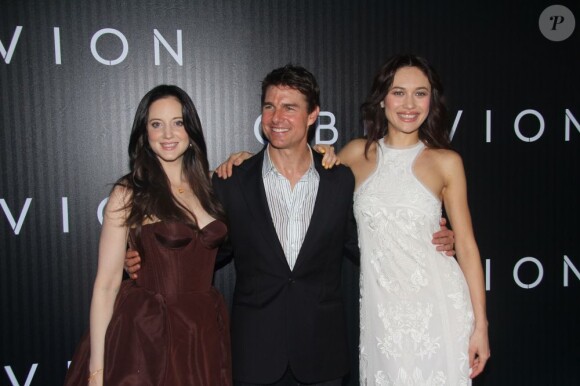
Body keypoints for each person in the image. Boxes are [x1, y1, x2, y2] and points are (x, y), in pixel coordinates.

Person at [127, 65, 455, 385]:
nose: (276, 118)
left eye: (289, 107)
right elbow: (210, 248)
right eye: (269, 107)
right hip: (255, 355)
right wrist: (150, 257)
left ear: (313, 115)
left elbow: (372, 239)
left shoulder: (339, 180)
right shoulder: (232, 180)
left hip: (321, 353)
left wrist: (430, 239)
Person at [321, 54, 490, 385]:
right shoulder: (356, 154)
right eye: (398, 92)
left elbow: (467, 245)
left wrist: (481, 326)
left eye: (420, 93)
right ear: (382, 99)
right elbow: (304, 188)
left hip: (441, 310)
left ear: (432, 101)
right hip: (382, 316)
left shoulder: (446, 162)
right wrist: (247, 158)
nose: (409, 103)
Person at [64, 85, 232, 385]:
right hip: (149, 334)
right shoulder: (129, 193)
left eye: (178, 122)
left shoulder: (211, 186)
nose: (168, 134)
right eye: (157, 124)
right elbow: (105, 286)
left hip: (202, 330)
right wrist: (97, 371)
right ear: (145, 134)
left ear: (191, 129)